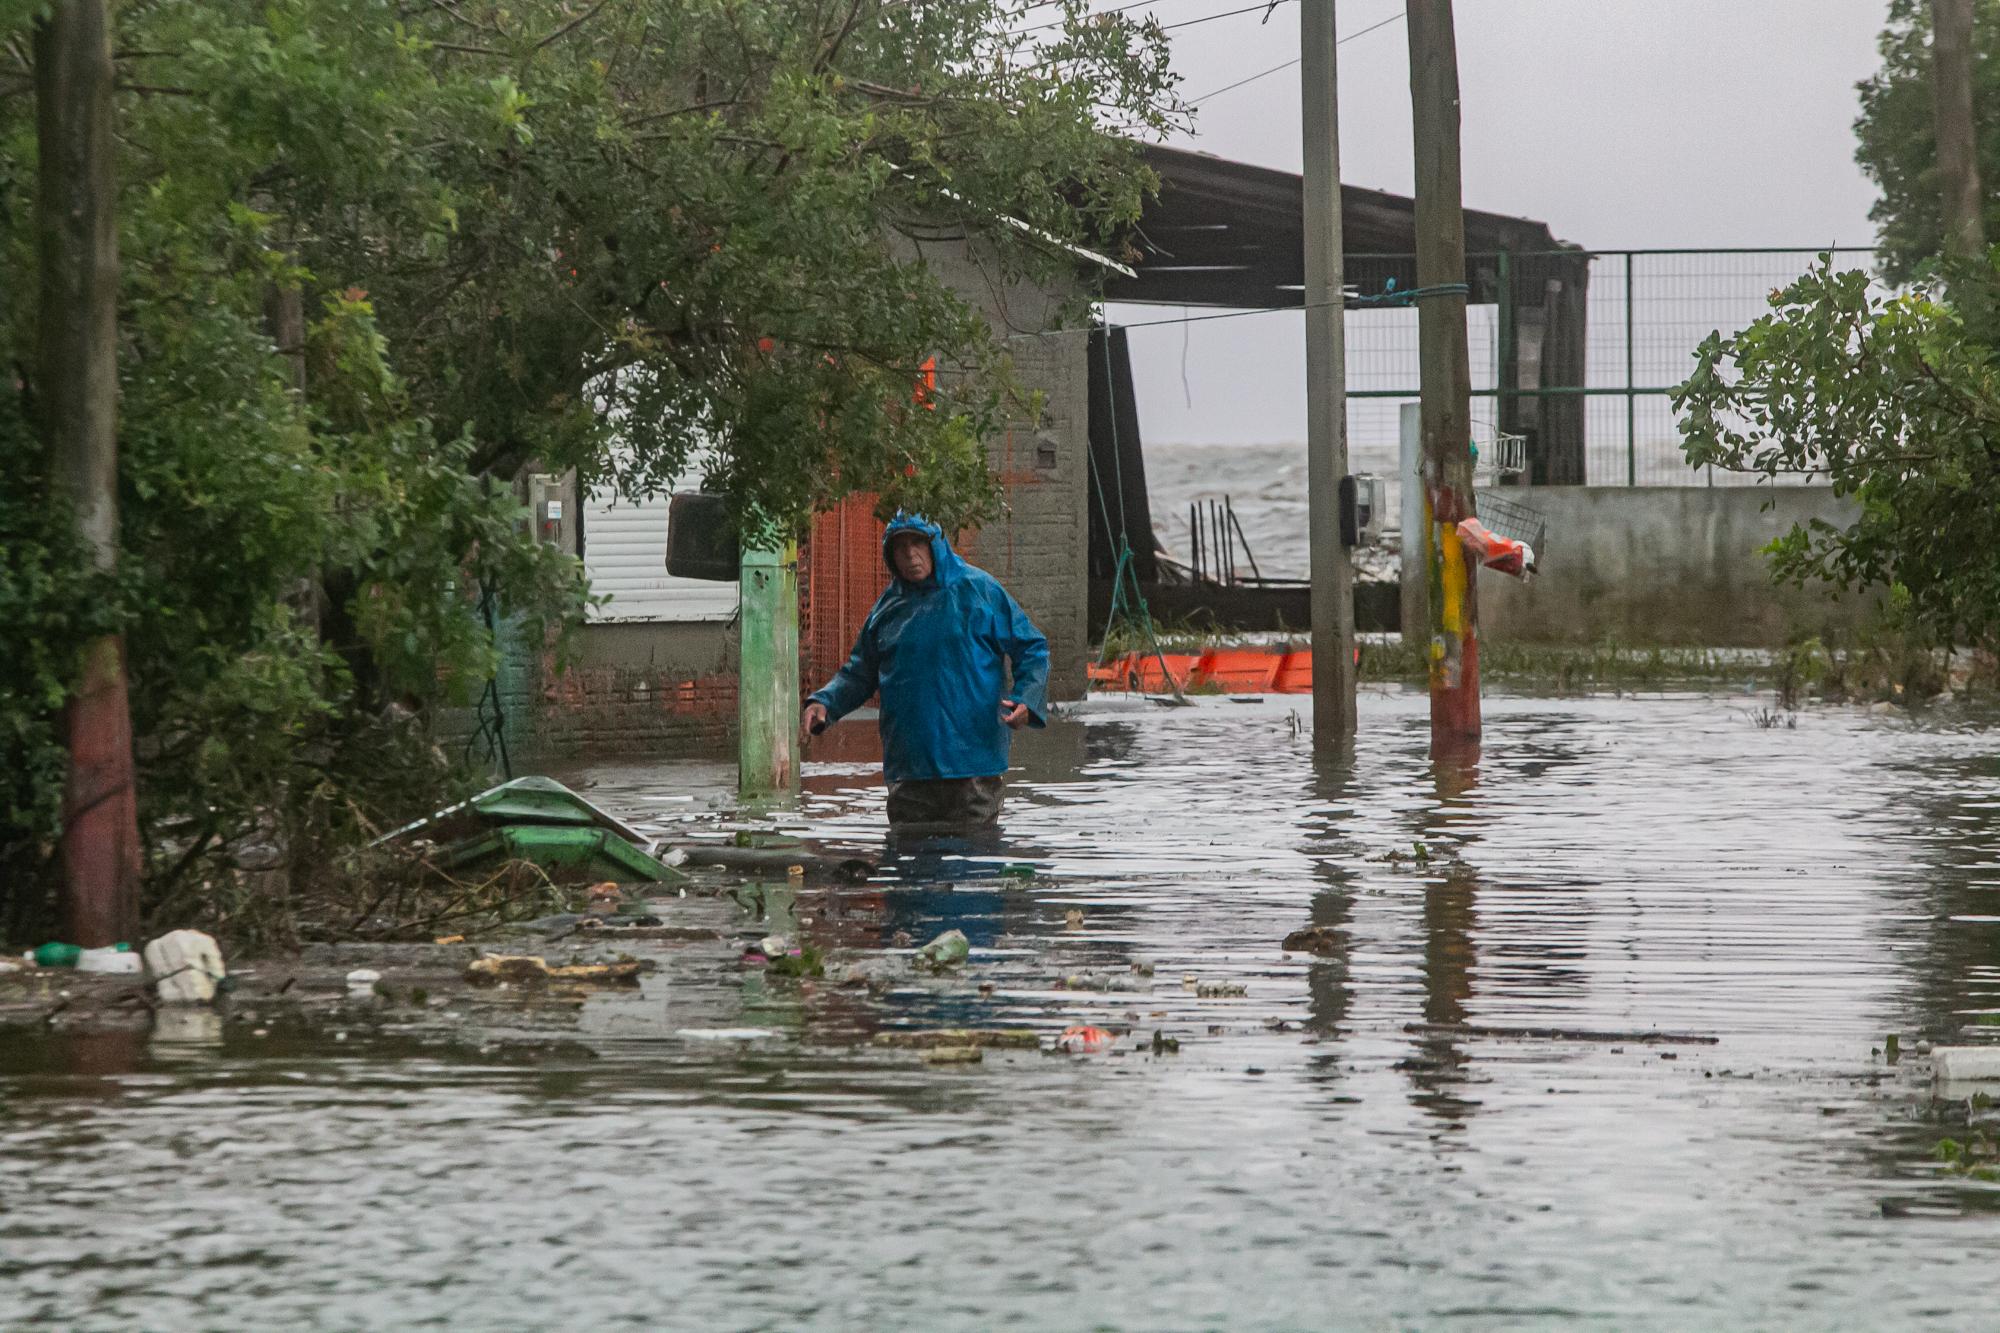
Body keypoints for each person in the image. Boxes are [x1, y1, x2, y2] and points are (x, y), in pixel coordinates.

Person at [802, 513, 1049, 827]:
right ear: (889, 555)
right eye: (899, 547)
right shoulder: (887, 609)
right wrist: (825, 702)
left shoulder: (979, 591)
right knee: (908, 863)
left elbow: (1032, 648)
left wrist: (1027, 698)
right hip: (909, 768)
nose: (909, 555)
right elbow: (859, 672)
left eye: (918, 543)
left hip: (972, 768)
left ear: (937, 546)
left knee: (975, 865)